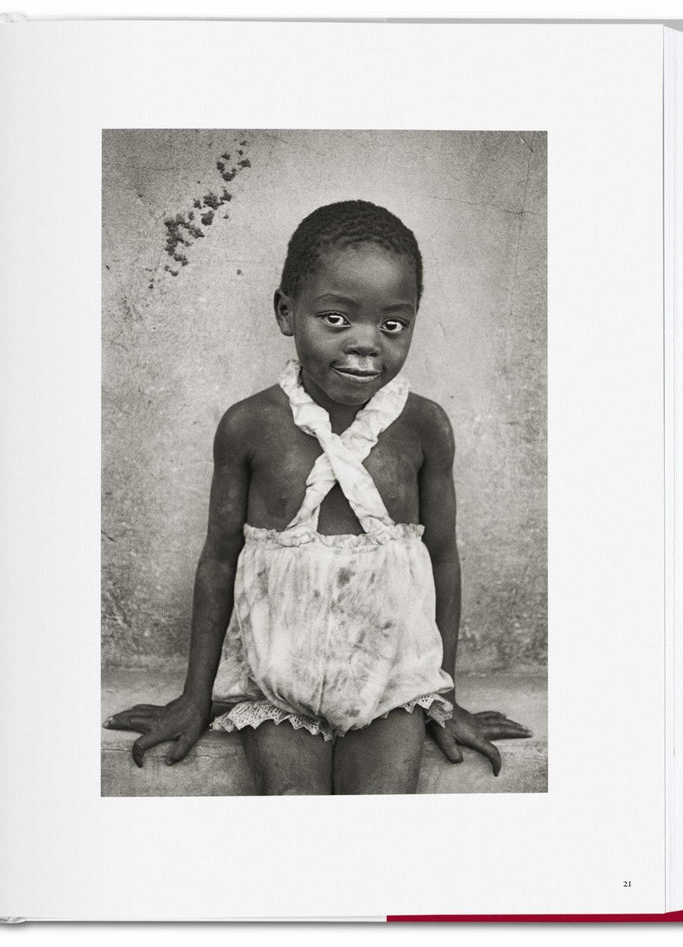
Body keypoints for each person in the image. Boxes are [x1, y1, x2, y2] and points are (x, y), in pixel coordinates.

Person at [104, 200, 528, 794]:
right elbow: (219, 559)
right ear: (286, 311)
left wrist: (445, 696)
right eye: (335, 318)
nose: (365, 345)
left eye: (393, 324)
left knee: (380, 812)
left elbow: (444, 561)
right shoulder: (250, 425)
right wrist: (195, 697)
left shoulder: (424, 427)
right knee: (293, 806)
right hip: (278, 674)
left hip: (391, 679)